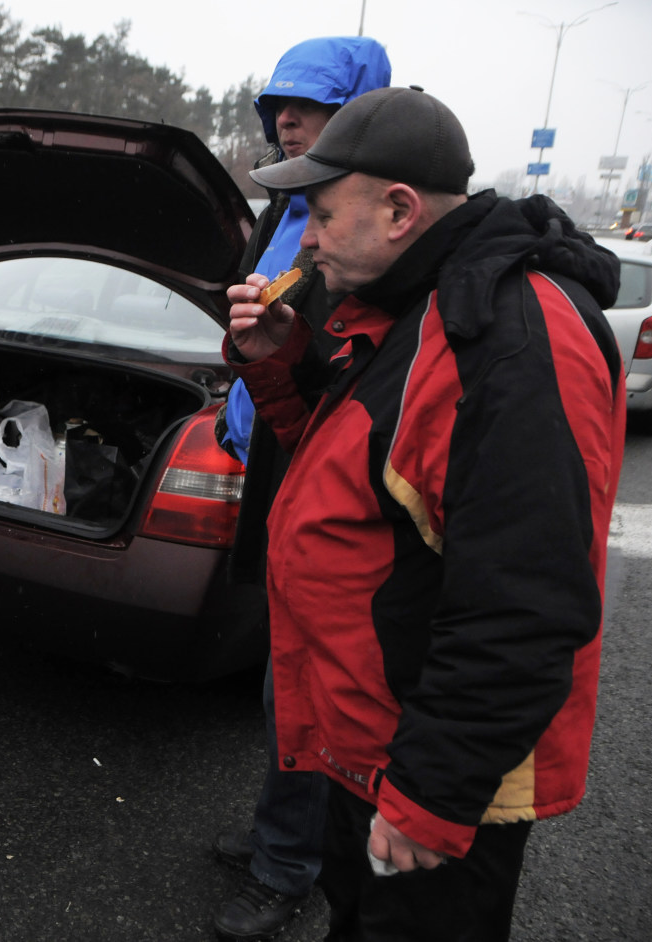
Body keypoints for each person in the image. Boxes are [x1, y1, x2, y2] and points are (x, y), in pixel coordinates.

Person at [224, 85, 625, 941]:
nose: (311, 239)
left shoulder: (511, 340)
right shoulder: (405, 301)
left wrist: (429, 800)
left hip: (428, 778)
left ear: (400, 209)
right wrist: (283, 360)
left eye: (324, 215)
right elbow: (361, 478)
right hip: (363, 744)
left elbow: (524, 604)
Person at [210, 36, 390, 942]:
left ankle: (290, 869)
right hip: (273, 455)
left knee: (314, 681)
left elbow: (346, 369)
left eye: (309, 103)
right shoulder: (284, 205)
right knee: (285, 669)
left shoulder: (367, 229)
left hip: (324, 466)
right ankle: (282, 836)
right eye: (278, 101)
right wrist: (232, 410)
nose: (286, 115)